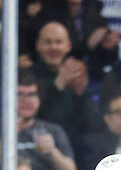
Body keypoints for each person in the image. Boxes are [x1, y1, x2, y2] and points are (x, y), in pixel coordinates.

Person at [31, 20, 102, 156]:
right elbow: (35, 117)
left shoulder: (77, 74)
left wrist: (81, 94)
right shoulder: (27, 77)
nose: (54, 47)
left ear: (68, 46)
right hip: (39, 151)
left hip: (76, 151)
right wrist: (58, 85)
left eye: (58, 42)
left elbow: (95, 124)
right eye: (48, 42)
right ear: (38, 46)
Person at [31, 0, 121, 79]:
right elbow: (54, 52)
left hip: (92, 77)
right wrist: (88, 45)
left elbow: (110, 60)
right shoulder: (48, 14)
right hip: (56, 76)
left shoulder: (94, 12)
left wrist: (107, 48)